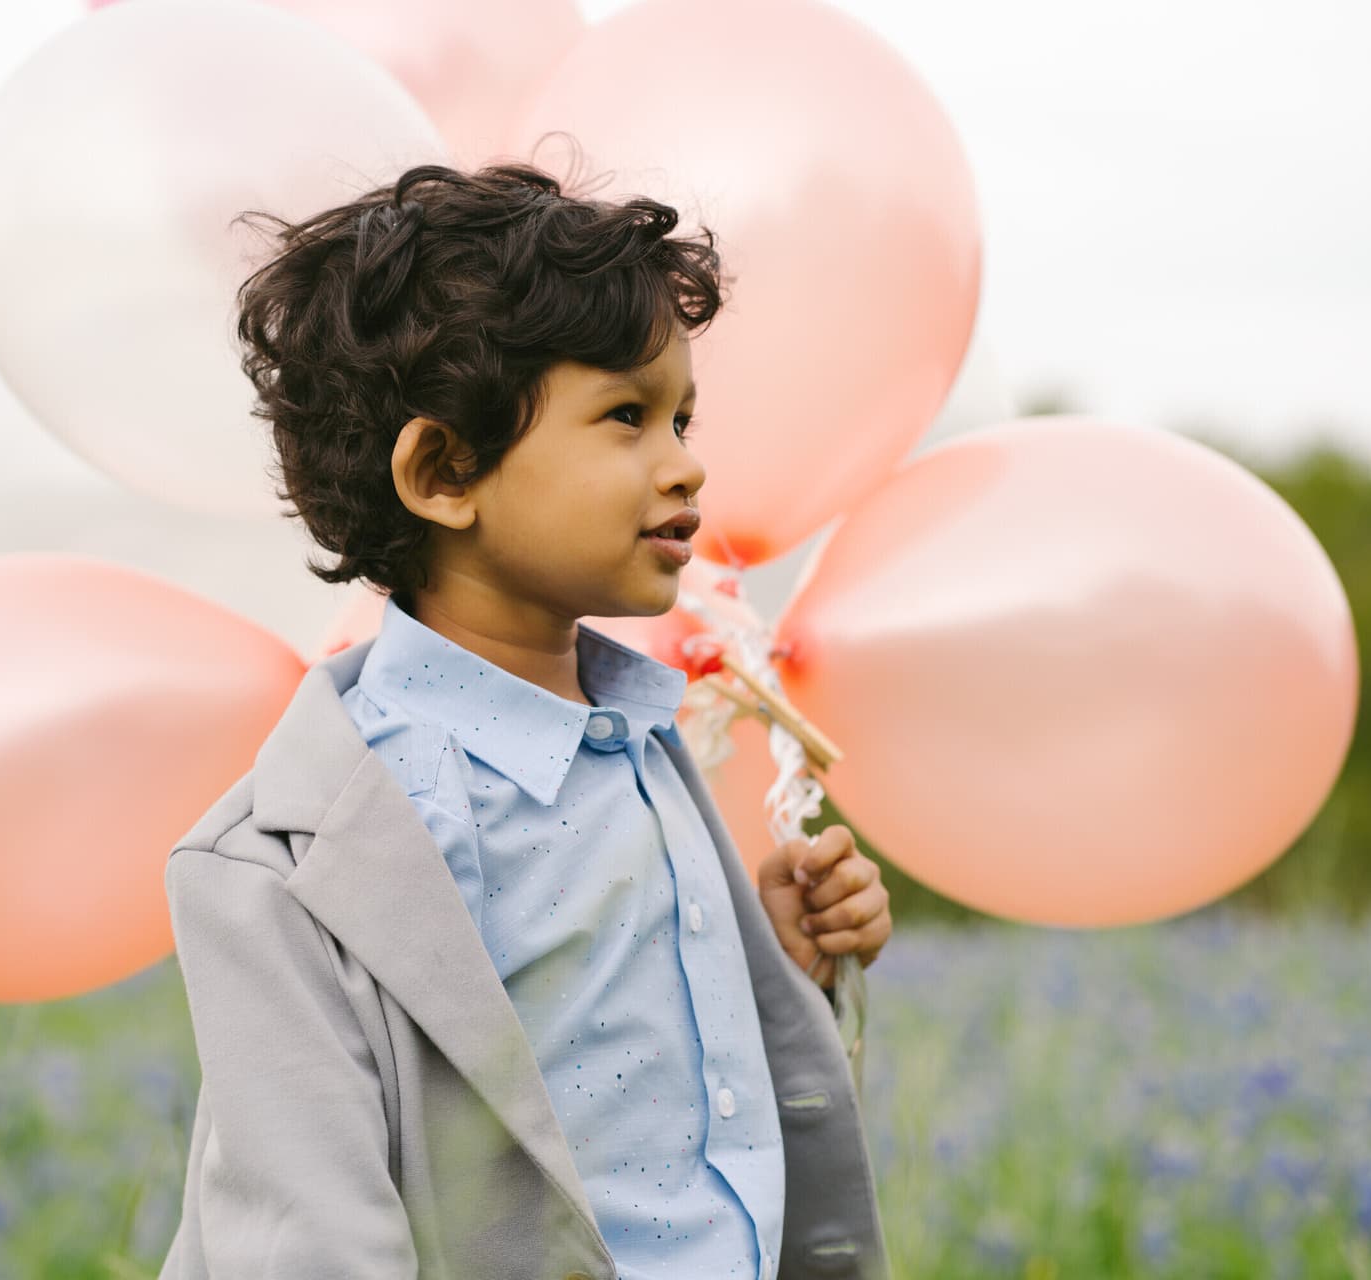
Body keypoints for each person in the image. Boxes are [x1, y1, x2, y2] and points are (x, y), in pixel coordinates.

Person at [157, 148, 895, 1280]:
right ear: (445, 470)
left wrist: (775, 968)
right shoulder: (284, 862)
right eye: (626, 417)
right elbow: (312, 1233)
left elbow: (619, 1057)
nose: (686, 466)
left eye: (684, 419)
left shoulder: (639, 738)